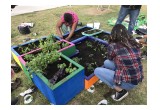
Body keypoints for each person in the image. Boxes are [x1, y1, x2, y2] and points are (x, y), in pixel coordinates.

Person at [94, 24, 144, 101]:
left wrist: (110, 44)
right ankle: (113, 77)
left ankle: (121, 91)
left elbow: (110, 57)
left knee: (97, 71)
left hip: (129, 82)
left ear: (113, 35)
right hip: (137, 77)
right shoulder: (133, 42)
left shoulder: (114, 45)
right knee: (107, 62)